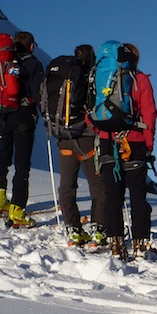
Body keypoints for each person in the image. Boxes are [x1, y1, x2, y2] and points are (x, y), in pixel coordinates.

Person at [95, 43, 157, 260]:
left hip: (107, 140)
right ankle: (140, 244)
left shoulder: (101, 76)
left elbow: (91, 111)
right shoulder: (140, 79)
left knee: (112, 195)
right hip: (134, 141)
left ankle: (116, 244)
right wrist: (148, 143)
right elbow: (149, 113)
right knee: (138, 195)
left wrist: (102, 129)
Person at [54, 45, 108, 247]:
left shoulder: (64, 75)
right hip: (86, 137)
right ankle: (98, 228)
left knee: (67, 185)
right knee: (98, 185)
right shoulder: (90, 77)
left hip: (63, 137)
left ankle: (73, 228)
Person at [0, 31, 44, 228]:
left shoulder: (5, 62)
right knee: (22, 164)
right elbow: (39, 94)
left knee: (4, 155)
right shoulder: (34, 64)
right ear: (31, 46)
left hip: (3, 115)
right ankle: (17, 209)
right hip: (23, 118)